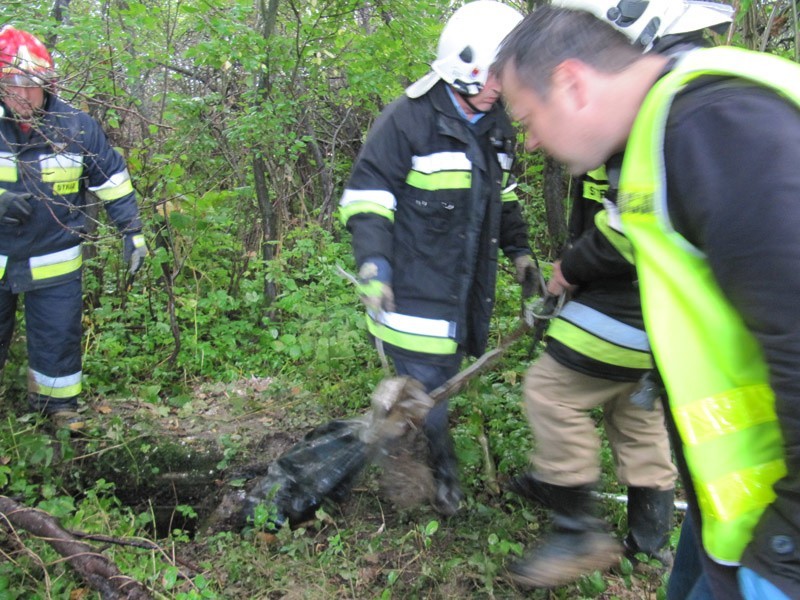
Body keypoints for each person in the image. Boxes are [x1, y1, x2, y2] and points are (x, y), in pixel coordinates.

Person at [493, 5, 800, 599]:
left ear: (572, 83)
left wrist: (785, 542)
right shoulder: (660, 140)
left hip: (779, 538)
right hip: (733, 513)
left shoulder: (717, 127)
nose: (529, 141)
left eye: (528, 117)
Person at [339, 1, 536, 516]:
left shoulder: (496, 124)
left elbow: (504, 194)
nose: (504, 83)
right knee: (428, 394)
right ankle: (434, 487)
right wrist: (373, 264)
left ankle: (425, 469)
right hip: (414, 292)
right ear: (464, 65)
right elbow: (367, 197)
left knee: (437, 388)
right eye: (497, 72)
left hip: (463, 292)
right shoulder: (408, 119)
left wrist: (519, 250)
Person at [0, 26, 147, 431]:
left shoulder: (76, 127)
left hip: (54, 262)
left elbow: (113, 180)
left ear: (48, 83)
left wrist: (131, 233)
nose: (23, 95)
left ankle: (58, 415)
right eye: (12, 83)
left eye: (32, 84)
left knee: (57, 342)